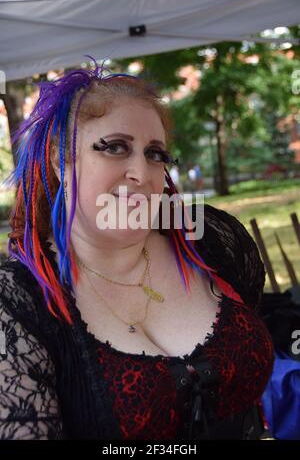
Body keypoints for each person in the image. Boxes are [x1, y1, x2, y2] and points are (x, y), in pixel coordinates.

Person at [0, 57, 274, 440]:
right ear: (61, 164)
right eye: (114, 147)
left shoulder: (211, 240)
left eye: (156, 153)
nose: (141, 173)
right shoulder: (17, 303)